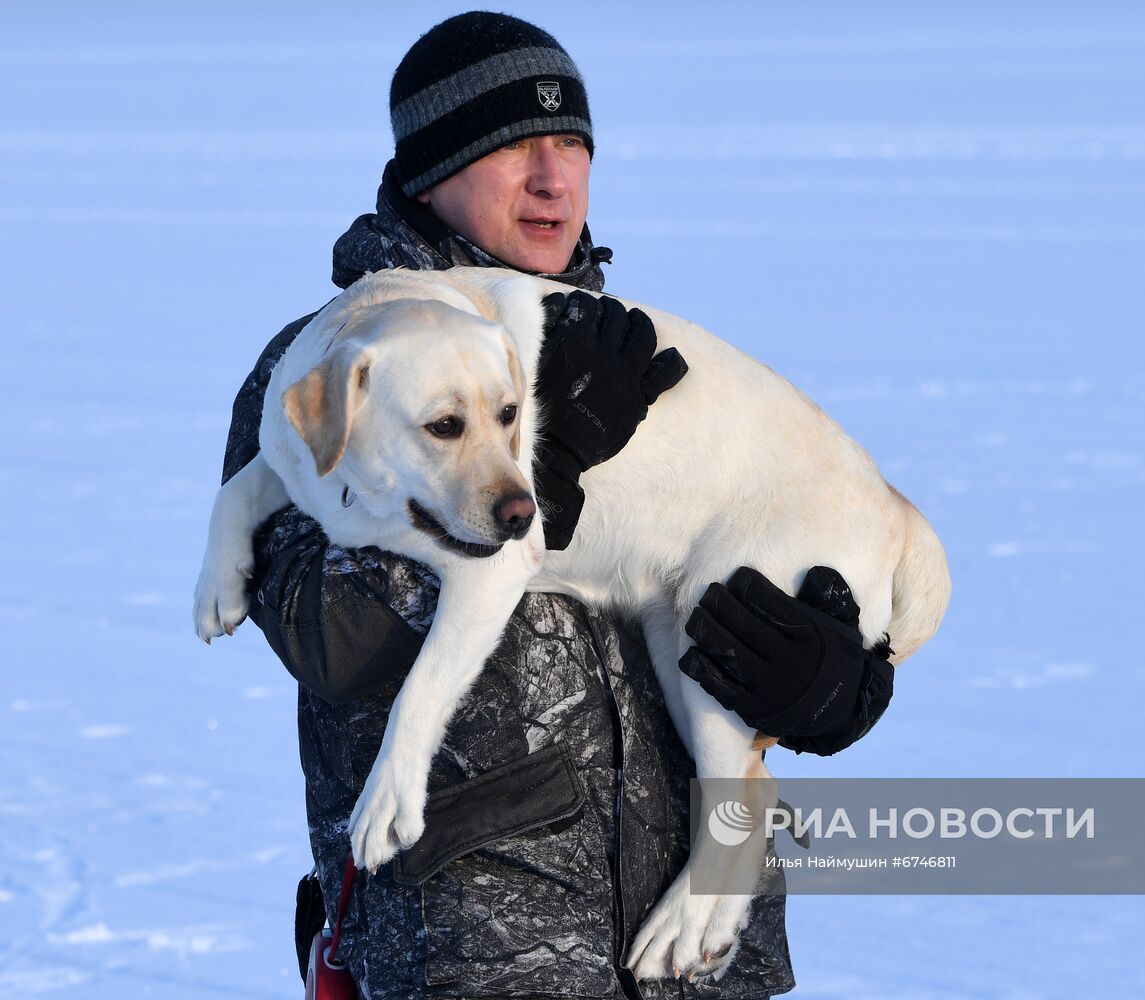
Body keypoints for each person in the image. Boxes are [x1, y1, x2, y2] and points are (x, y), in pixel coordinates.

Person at [219, 12, 896, 1000]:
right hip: (479, 962)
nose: (555, 178)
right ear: (430, 169)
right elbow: (332, 638)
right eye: (512, 146)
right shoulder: (325, 368)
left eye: (574, 144)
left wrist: (830, 685)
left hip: (705, 961)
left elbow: (726, 620)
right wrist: (542, 477)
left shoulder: (640, 360)